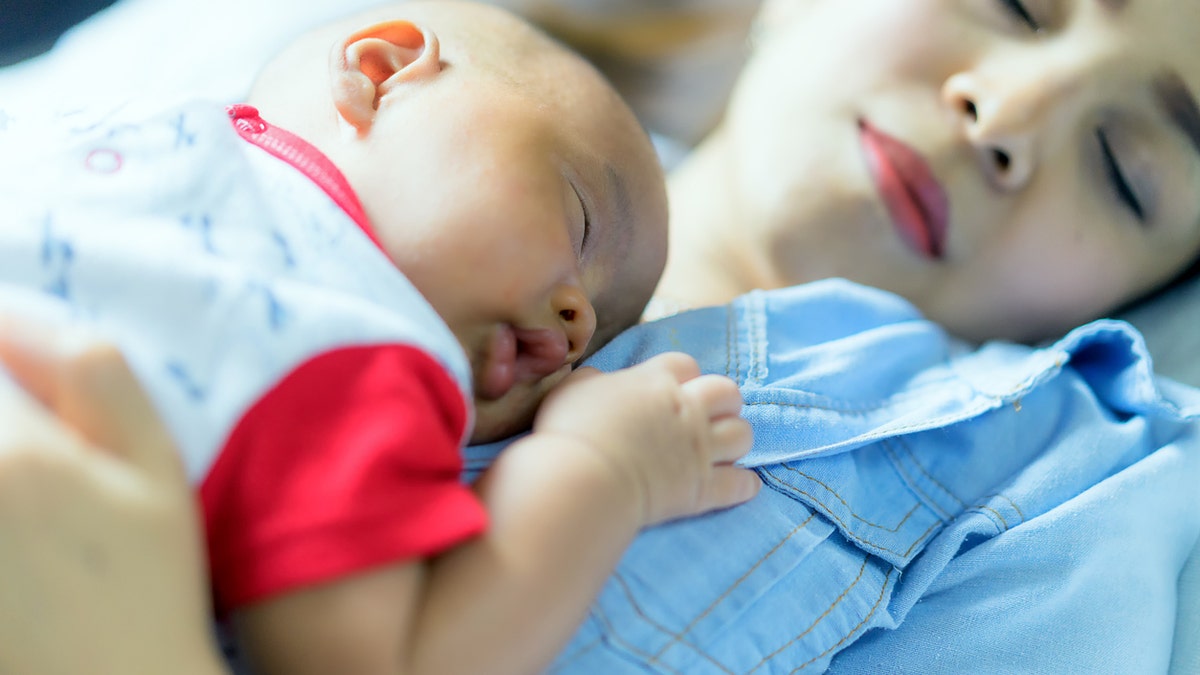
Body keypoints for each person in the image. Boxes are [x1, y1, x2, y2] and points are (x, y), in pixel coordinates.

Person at [3, 0, 1199, 672]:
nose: (1010, 114)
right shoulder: (291, 68)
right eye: (1020, 3)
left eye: (1128, 169)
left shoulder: (1074, 484)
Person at [0, 2, 759, 674]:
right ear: (380, 71)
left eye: (600, 342)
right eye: (582, 219)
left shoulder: (348, 367)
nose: (581, 327)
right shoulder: (345, 332)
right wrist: (599, 472)